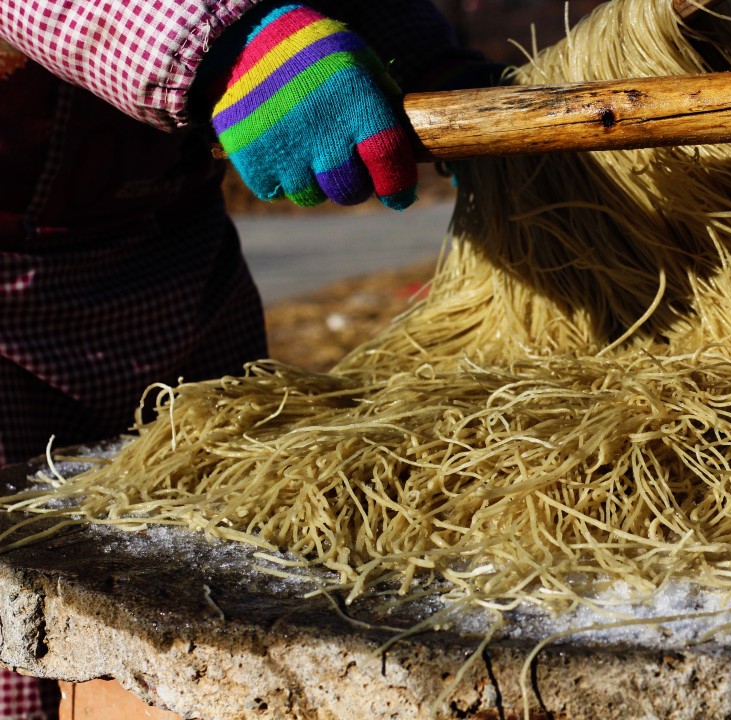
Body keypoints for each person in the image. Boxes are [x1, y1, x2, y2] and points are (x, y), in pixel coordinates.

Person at [0, 1, 495, 717]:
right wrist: (225, 44)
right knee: (16, 604)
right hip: (10, 304)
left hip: (177, 260)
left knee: (209, 553)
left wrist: (415, 61)